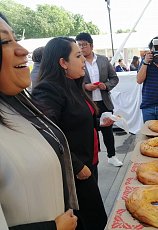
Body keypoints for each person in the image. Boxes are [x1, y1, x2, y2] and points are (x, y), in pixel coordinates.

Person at [0, 13, 78, 229]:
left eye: (15, 39)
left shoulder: (16, 104)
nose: (22, 50)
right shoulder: (47, 90)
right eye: (5, 42)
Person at [31, 36, 108, 229]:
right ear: (63, 62)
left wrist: (100, 122)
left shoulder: (74, 85)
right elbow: (45, 132)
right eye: (78, 56)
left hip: (89, 163)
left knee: (96, 219)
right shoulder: (48, 89)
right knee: (89, 221)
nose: (84, 60)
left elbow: (76, 122)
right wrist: (76, 165)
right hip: (74, 173)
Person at [75, 32, 123, 167]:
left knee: (108, 130)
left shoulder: (103, 60)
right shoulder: (77, 62)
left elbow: (114, 78)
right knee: (90, 132)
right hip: (87, 103)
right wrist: (85, 87)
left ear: (91, 45)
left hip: (104, 101)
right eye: (79, 45)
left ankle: (112, 156)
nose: (82, 48)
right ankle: (91, 159)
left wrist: (105, 86)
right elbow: (73, 83)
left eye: (84, 45)